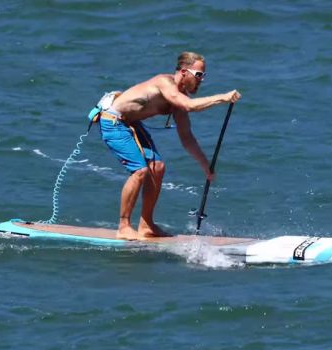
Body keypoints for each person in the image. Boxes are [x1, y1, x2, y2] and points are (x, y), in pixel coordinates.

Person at [94, 51, 241, 240]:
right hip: (113, 121)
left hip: (131, 124)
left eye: (203, 76)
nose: (201, 80)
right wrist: (223, 97)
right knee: (140, 171)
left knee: (157, 167)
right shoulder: (165, 83)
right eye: (198, 75)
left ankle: (146, 225)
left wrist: (206, 167)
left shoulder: (177, 101)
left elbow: (187, 138)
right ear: (183, 72)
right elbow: (190, 106)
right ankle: (123, 226)